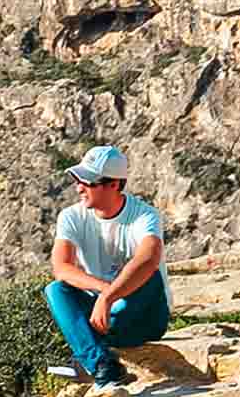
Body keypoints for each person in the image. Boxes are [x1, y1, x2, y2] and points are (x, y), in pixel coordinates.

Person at [44, 144, 170, 383]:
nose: (79, 188)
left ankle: (84, 353)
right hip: (104, 311)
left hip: (145, 316)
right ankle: (103, 366)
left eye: (88, 181)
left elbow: (149, 258)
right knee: (55, 289)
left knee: (148, 276)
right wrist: (105, 293)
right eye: (77, 179)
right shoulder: (71, 217)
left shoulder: (144, 215)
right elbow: (61, 267)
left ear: (113, 184)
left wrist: (109, 297)